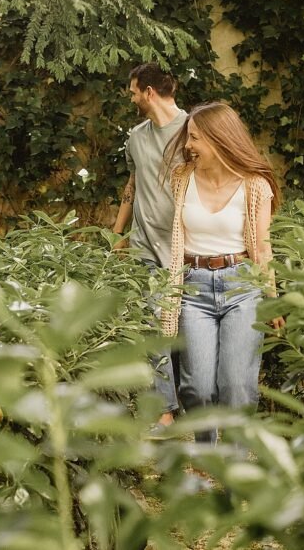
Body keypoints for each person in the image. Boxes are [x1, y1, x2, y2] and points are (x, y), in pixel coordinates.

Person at [158, 102, 285, 445]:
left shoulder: (255, 185)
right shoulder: (182, 178)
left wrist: (272, 299)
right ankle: (206, 455)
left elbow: (262, 249)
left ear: (219, 139)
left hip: (242, 286)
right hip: (193, 287)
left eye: (195, 138)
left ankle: (234, 463)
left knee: (236, 385)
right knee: (197, 387)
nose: (188, 145)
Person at [111, 62, 188, 435]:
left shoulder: (192, 130)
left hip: (186, 248)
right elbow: (133, 183)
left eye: (133, 92)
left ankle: (189, 403)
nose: (131, 99)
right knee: (153, 327)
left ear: (149, 92)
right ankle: (165, 413)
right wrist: (117, 234)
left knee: (185, 331)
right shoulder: (136, 137)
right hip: (144, 247)